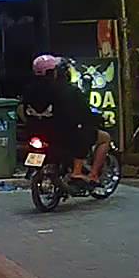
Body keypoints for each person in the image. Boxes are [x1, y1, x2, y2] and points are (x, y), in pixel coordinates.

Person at [26, 55, 111, 185]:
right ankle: (86, 173)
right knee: (103, 138)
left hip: (37, 133)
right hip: (64, 135)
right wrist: (96, 119)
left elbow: (22, 109)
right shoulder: (66, 90)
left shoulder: (29, 90)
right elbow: (82, 113)